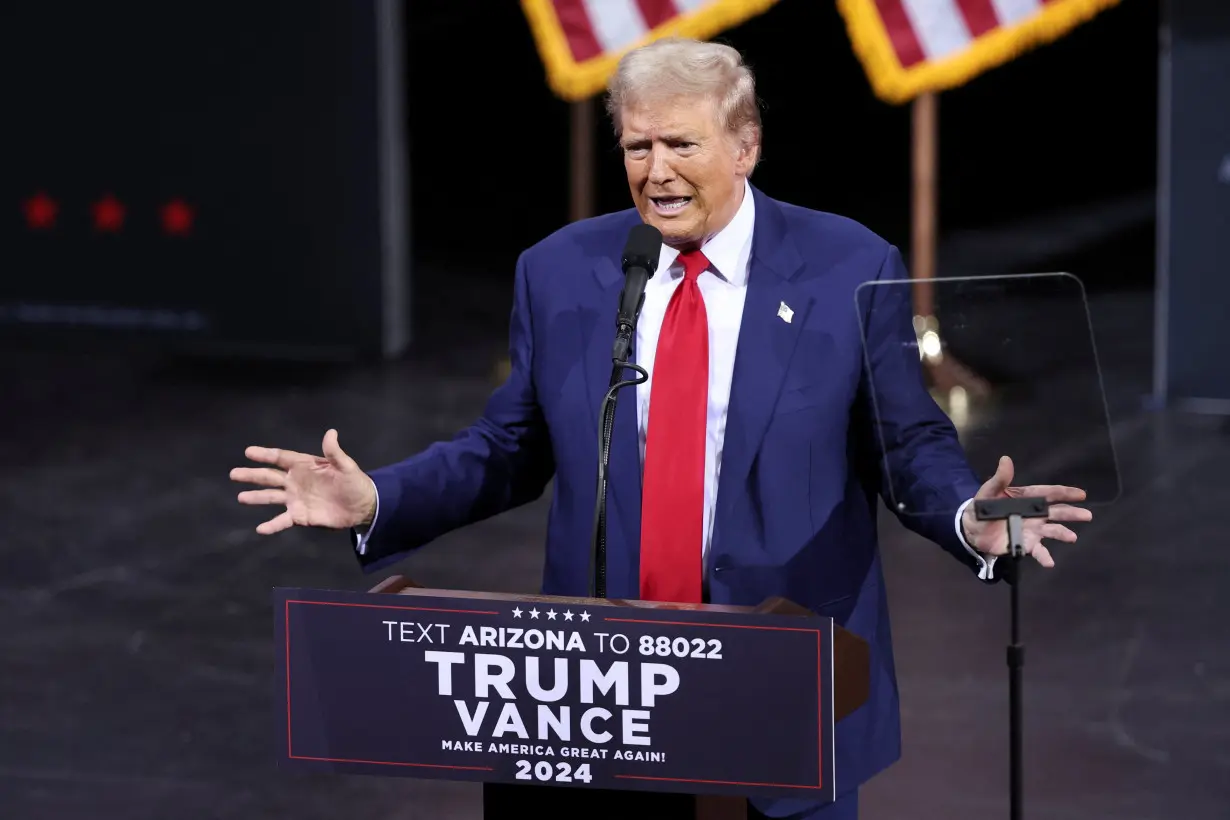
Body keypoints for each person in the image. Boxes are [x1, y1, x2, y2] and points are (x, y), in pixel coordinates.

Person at [231, 37, 1090, 820]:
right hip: (605, 700)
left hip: (783, 689)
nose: (656, 171)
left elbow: (907, 444)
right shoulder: (563, 270)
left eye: (682, 144)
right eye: (638, 146)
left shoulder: (847, 267)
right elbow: (508, 448)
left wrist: (964, 519)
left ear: (745, 144)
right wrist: (379, 496)